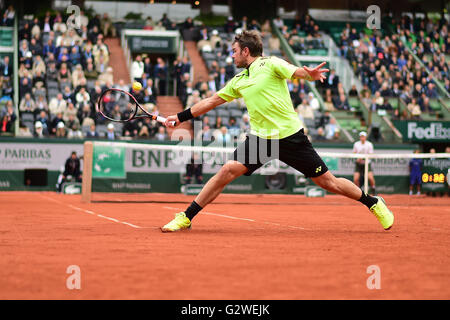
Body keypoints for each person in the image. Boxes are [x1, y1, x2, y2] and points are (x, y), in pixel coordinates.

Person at [161, 30, 394, 232]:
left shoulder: (271, 63)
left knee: (328, 183)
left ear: (245, 51)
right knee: (227, 171)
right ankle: (186, 217)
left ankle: (372, 202)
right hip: (262, 140)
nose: (231, 55)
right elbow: (211, 101)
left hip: (291, 137)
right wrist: (180, 118)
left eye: (234, 51)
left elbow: (294, 71)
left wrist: (308, 75)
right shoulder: (239, 80)